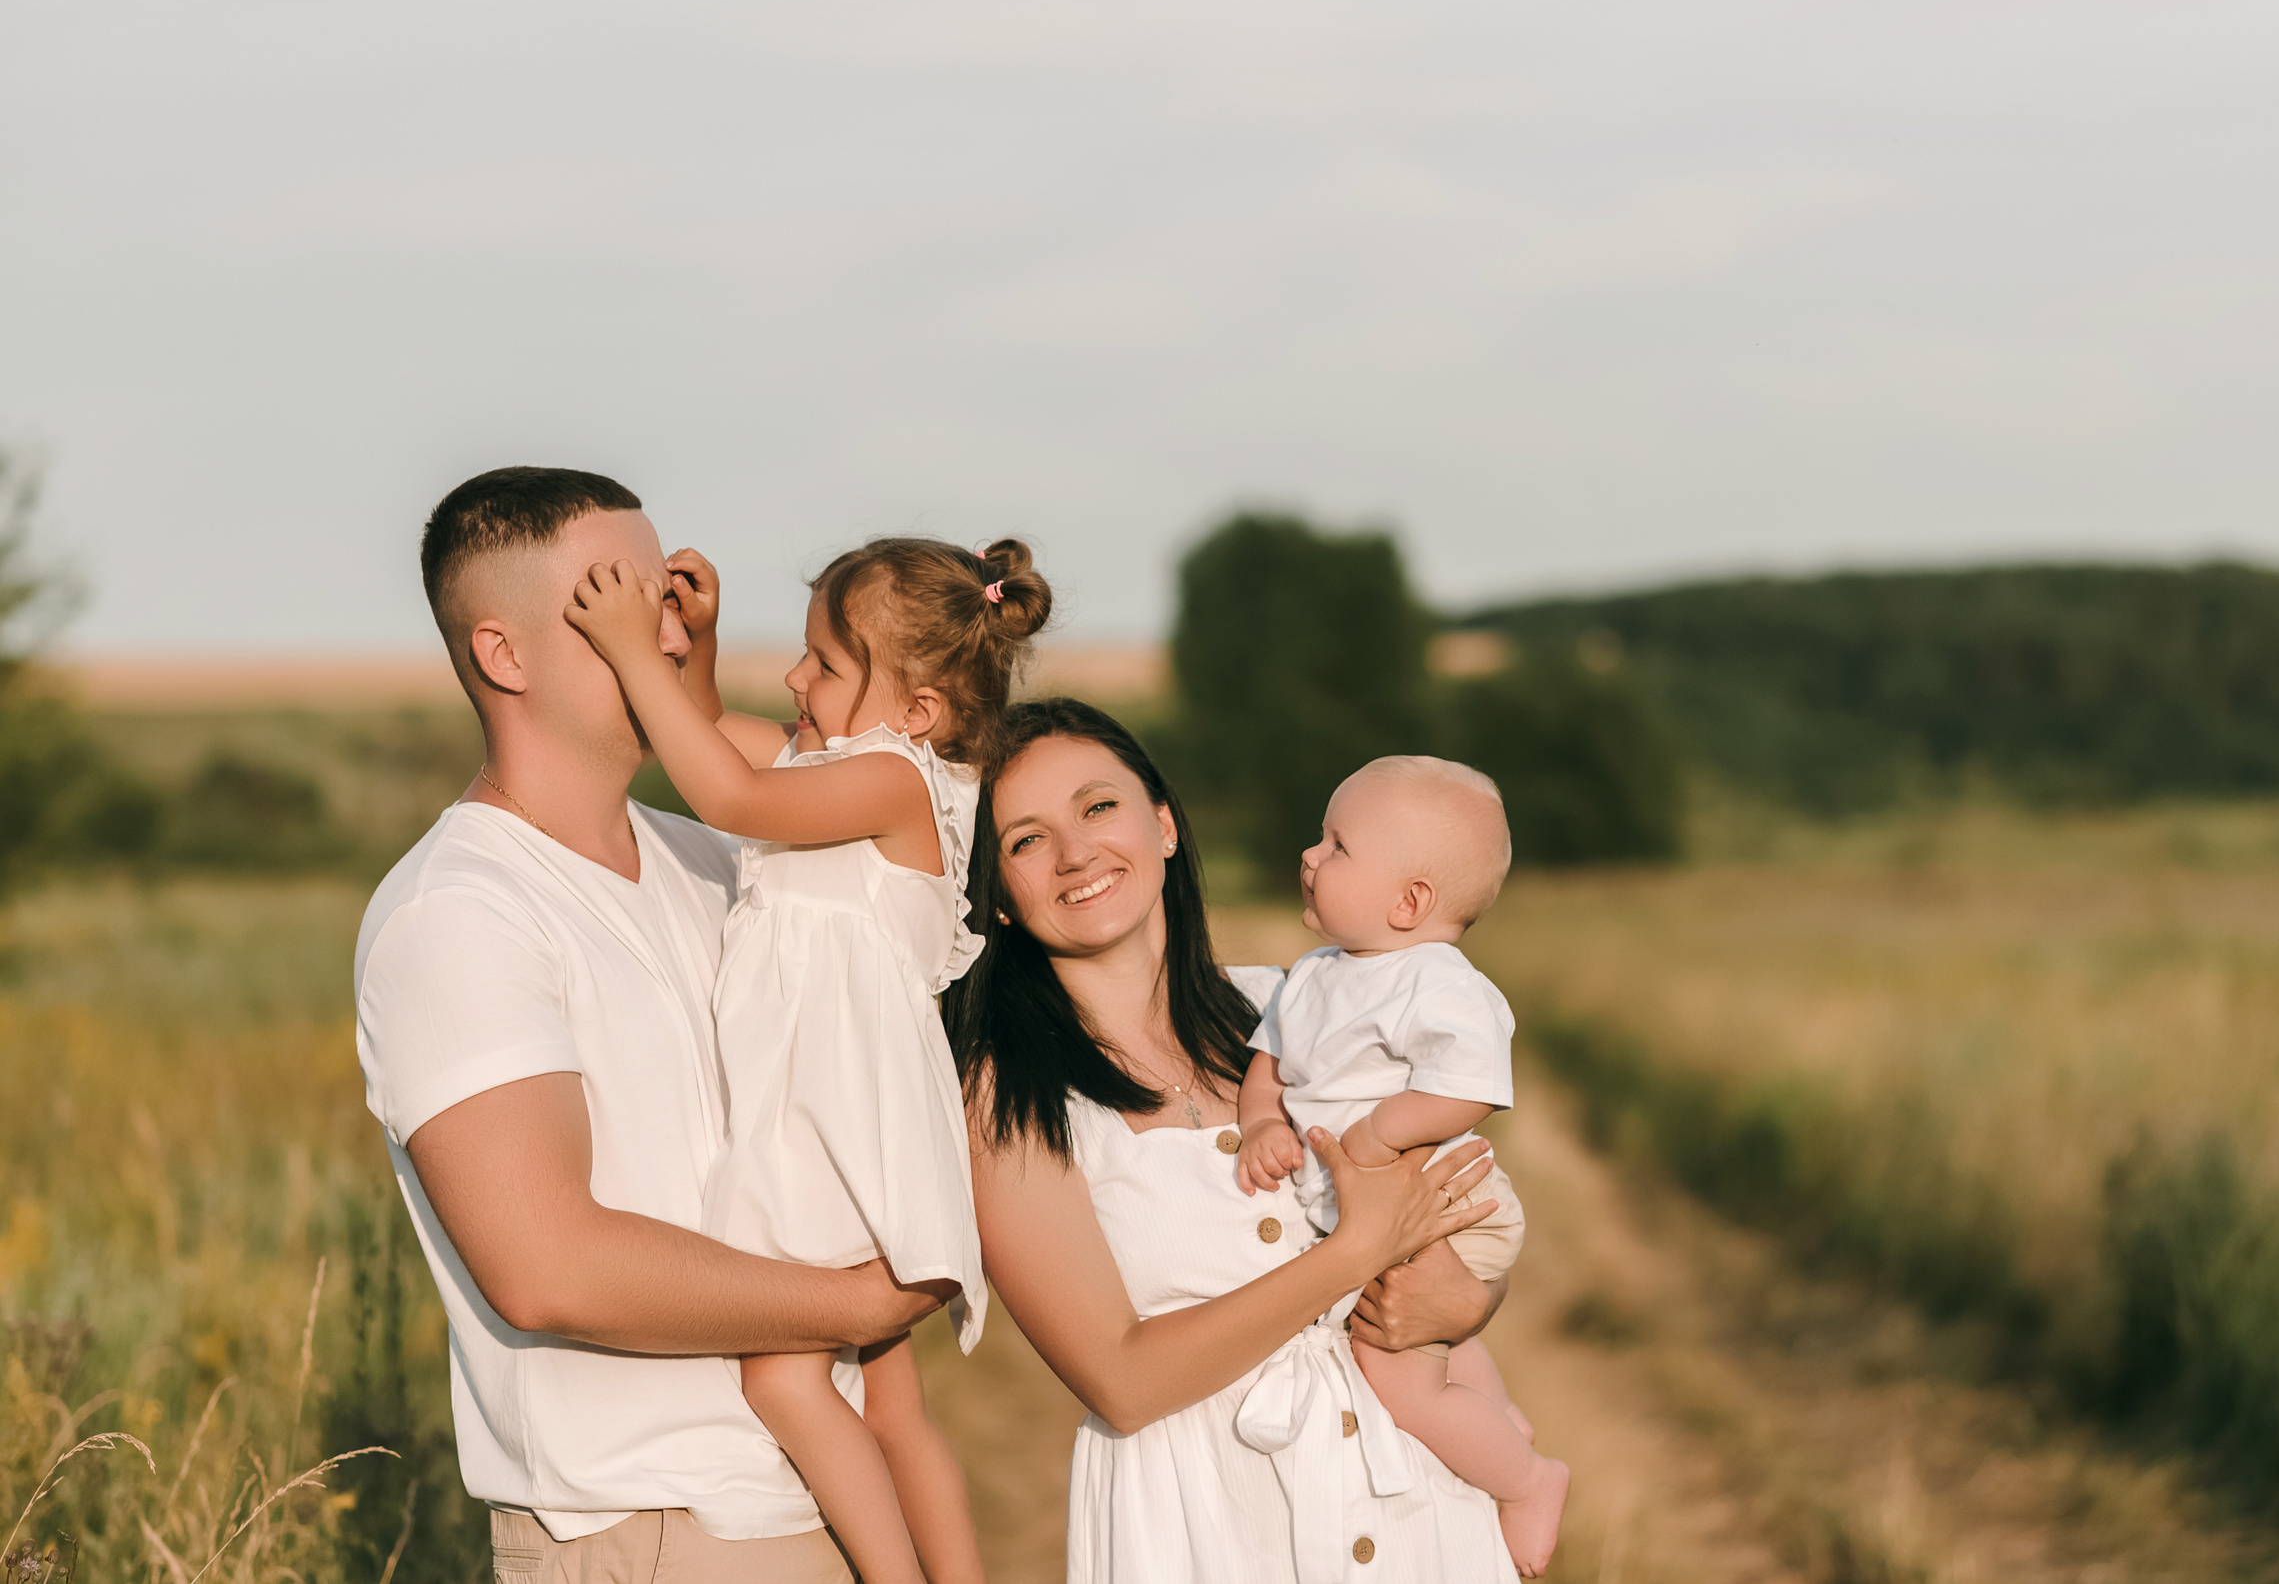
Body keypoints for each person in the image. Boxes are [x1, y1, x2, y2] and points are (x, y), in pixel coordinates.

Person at [354, 468, 949, 1583]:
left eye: (669, 592)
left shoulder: (727, 868)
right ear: (504, 654)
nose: (664, 628)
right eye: (612, 603)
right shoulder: (456, 914)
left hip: (817, 1499)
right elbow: (551, 1267)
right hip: (650, 1528)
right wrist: (858, 1300)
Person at [566, 535, 1051, 1584]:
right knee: (889, 1396)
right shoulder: (847, 760)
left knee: (784, 1383)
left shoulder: (892, 780)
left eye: (825, 663)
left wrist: (625, 652)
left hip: (828, 1122)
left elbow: (730, 799)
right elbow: (699, 738)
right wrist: (685, 648)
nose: (794, 678)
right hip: (841, 1117)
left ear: (918, 708)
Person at [948, 697, 1521, 1583]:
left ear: (1165, 823)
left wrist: (1468, 1303)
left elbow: (1447, 1207)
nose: (1074, 854)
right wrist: (1358, 1251)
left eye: (1099, 806)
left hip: (1413, 1506)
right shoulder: (1007, 1091)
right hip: (1206, 1527)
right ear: (1001, 897)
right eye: (1025, 840)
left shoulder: (1292, 1003)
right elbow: (1122, 1382)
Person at [1234, 756, 1570, 1576]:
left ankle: (1526, 1479)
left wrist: (1381, 1133)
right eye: (1320, 837)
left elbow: (1468, 1088)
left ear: (1409, 901)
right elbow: (1268, 1064)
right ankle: (1497, 1418)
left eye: (1337, 844)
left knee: (1399, 1372)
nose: (1310, 856)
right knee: (1427, 1331)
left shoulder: (1436, 982)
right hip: (1383, 1215)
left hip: (1447, 1205)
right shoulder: (1314, 975)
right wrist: (1256, 1125)